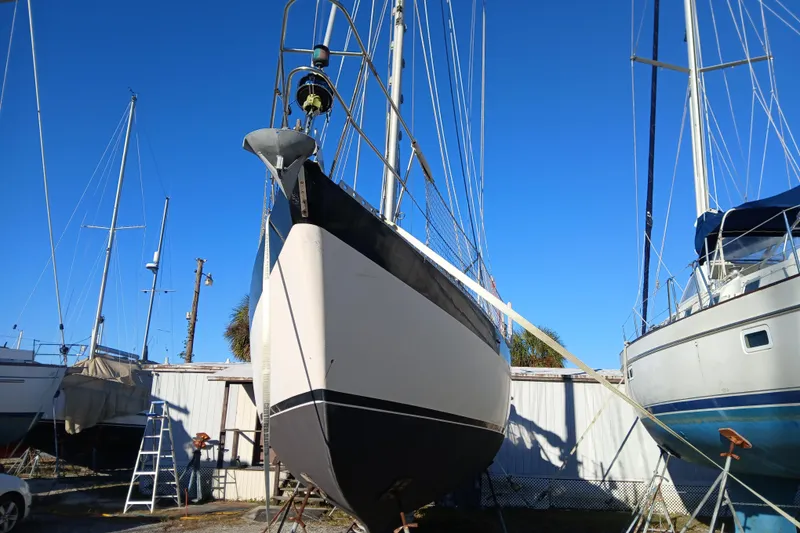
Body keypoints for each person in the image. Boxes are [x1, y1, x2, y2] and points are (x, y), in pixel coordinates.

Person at [187, 432, 210, 503]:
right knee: (193, 480)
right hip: (195, 467)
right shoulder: (196, 451)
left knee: (197, 480)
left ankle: (198, 497)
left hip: (197, 467)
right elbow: (194, 459)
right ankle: (189, 496)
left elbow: (195, 459)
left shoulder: (198, 452)